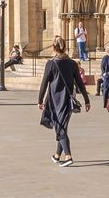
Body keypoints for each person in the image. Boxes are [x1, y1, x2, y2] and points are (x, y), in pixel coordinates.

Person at [37, 36, 90, 167]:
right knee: (62, 125)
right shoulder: (72, 63)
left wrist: (40, 100)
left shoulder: (51, 64)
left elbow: (44, 84)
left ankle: (68, 156)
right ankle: (57, 155)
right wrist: (86, 100)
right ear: (65, 47)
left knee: (60, 126)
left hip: (55, 100)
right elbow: (79, 83)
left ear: (54, 48)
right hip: (68, 99)